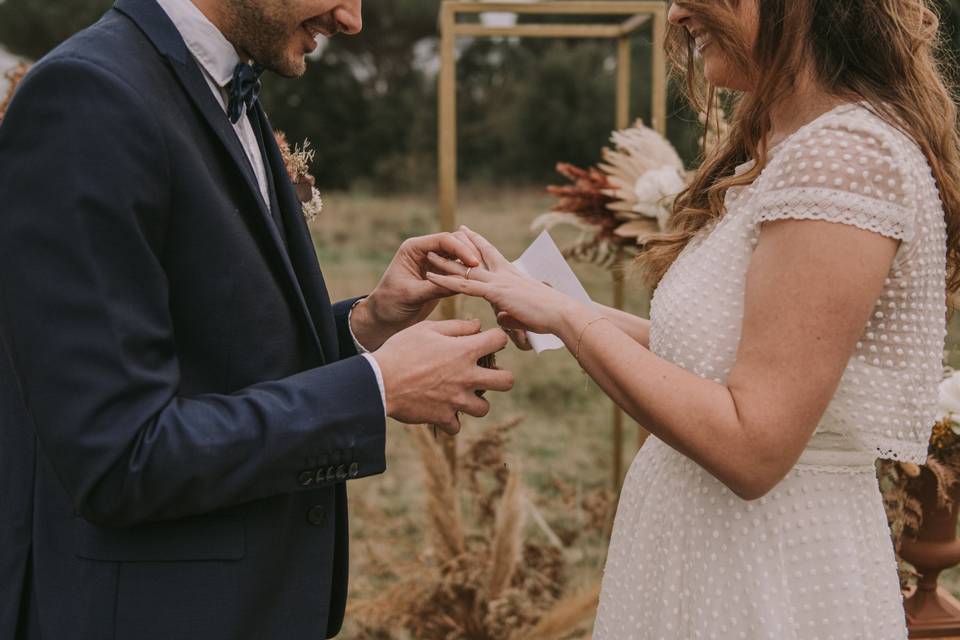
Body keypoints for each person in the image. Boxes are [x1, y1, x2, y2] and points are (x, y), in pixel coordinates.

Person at [427, 0, 960, 636]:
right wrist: (540, 296)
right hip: (701, 546)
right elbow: (716, 360)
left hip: (767, 567)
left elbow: (751, 447)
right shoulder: (789, 149)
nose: (676, 12)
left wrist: (569, 321)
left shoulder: (845, 159)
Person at [0, 0, 514, 638]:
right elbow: (120, 457)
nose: (352, 19)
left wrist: (368, 324)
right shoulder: (90, 96)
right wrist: (377, 388)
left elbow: (212, 359)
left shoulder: (220, 86)